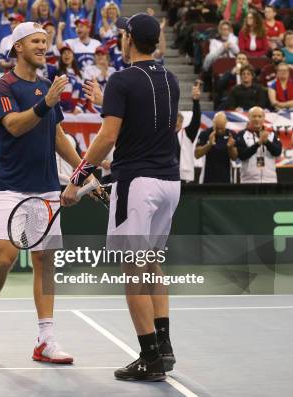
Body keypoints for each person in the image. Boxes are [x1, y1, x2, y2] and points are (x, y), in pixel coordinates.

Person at [62, 13, 180, 381]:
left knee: (132, 270)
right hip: (170, 184)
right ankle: (165, 349)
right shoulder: (171, 79)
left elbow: (109, 136)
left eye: (123, 34)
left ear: (129, 39)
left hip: (138, 185)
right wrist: (105, 102)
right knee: (151, 264)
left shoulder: (122, 80)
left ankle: (149, 358)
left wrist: (77, 179)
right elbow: (148, 123)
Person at [0, 22, 83, 364]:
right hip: (9, 185)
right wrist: (45, 104)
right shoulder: (2, 85)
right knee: (4, 257)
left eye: (45, 42)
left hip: (46, 185)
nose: (42, 46)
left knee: (44, 261)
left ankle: (46, 340)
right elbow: (15, 126)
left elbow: (57, 136)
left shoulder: (47, 86)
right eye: (35, 41)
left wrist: (83, 169)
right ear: (18, 47)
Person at [233, 106, 281, 183]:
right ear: (248, 117)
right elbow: (242, 155)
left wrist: (266, 142)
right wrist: (258, 143)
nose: (257, 119)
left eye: (259, 116)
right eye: (254, 116)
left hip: (270, 180)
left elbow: (277, 152)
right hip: (248, 181)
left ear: (264, 118)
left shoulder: (271, 134)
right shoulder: (241, 135)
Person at [195, 112, 237, 183]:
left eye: (221, 128)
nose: (219, 130)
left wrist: (230, 147)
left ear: (226, 123)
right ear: (213, 122)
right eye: (217, 128)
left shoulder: (231, 134)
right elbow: (197, 154)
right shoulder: (205, 133)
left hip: (226, 178)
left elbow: (234, 157)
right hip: (207, 178)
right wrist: (209, 144)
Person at [176, 83, 202, 183]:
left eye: (177, 119)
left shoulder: (186, 134)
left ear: (182, 122)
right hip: (167, 176)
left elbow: (196, 120)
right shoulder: (164, 135)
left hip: (184, 178)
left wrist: (196, 101)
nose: (174, 121)